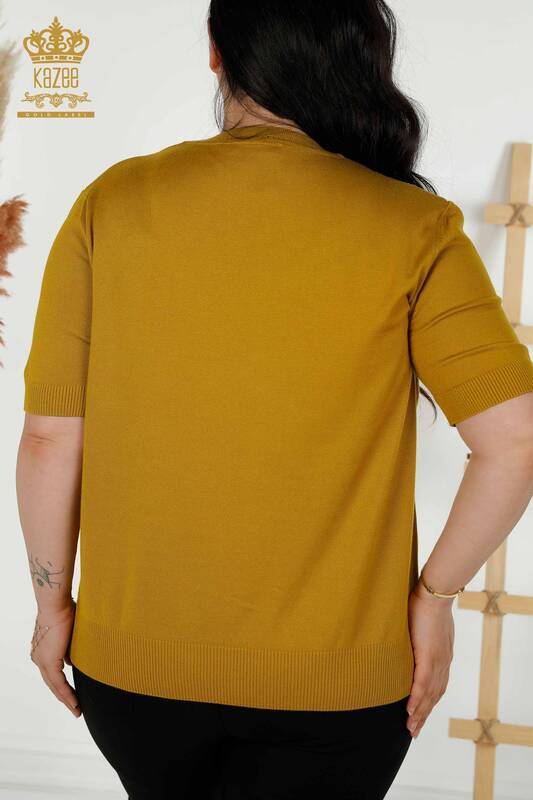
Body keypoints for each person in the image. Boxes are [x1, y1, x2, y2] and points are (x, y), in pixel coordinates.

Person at [16, 1, 533, 799]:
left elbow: (50, 437)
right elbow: (515, 440)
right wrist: (433, 598)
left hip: (135, 678)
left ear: (217, 53)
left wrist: (53, 609)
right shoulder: (414, 226)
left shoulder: (110, 204)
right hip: (343, 691)